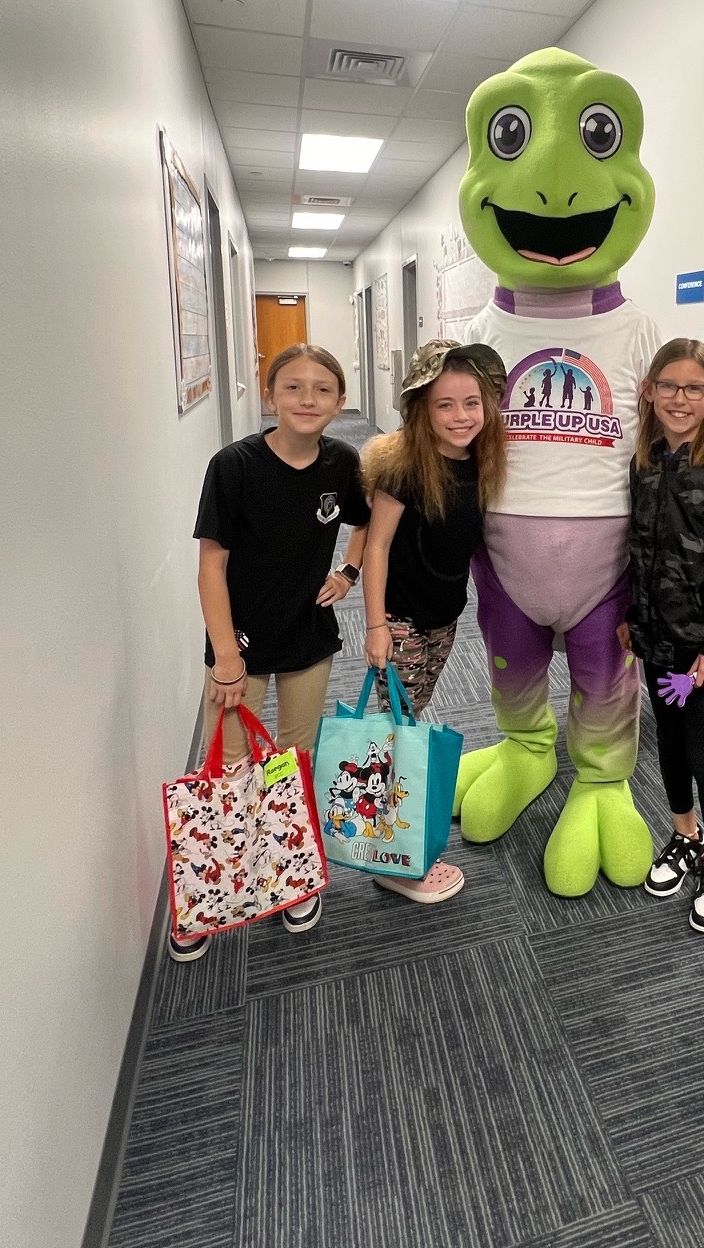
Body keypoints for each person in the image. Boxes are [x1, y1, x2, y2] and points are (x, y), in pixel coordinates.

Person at [177, 343, 369, 963]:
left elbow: (364, 522)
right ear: (270, 396)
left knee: (294, 757)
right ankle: (213, 890)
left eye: (322, 389)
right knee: (231, 767)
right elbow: (211, 567)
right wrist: (226, 658)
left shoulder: (342, 461)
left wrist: (348, 572)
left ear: (340, 401)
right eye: (293, 387)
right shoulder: (233, 466)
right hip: (241, 645)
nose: (307, 399)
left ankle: (288, 873)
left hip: (307, 634)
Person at [358, 340, 508, 905]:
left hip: (444, 617)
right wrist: (375, 625)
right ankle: (396, 861)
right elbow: (376, 547)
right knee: (398, 732)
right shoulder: (404, 468)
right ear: (422, 408)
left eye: (472, 402)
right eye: (446, 404)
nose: (461, 416)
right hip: (400, 620)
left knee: (408, 720)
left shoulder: (480, 461)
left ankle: (393, 843)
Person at [620, 339, 704, 933]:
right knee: (670, 747)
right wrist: (632, 618)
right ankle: (684, 833)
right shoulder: (644, 461)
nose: (680, 398)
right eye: (669, 386)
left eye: (694, 388)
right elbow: (635, 549)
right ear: (649, 391)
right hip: (657, 640)